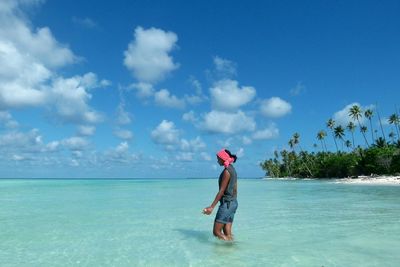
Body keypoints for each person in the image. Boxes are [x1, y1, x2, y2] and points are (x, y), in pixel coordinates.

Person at [203, 148, 238, 241]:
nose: (217, 160)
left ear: (223, 158)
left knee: (216, 232)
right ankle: (231, 250)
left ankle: (232, 247)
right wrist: (233, 201)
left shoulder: (227, 171)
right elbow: (235, 188)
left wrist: (211, 207)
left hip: (227, 204)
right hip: (233, 203)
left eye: (218, 158)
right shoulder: (232, 169)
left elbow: (221, 191)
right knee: (227, 232)